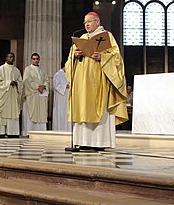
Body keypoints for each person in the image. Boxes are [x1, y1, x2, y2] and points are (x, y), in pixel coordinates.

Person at [65, 11, 128, 150]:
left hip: (98, 80)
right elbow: (69, 61)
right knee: (82, 107)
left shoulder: (106, 36)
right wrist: (75, 55)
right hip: (82, 82)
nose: (86, 24)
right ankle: (83, 141)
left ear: (97, 22)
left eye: (89, 21)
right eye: (85, 22)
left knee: (98, 107)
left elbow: (117, 58)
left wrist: (103, 57)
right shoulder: (81, 37)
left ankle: (99, 142)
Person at [0, 52, 23, 137]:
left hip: (13, 95)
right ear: (6, 58)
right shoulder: (1, 69)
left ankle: (12, 132)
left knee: (13, 112)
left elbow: (21, 82)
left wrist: (17, 84)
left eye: (12, 57)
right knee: (2, 113)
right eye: (9, 57)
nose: (11, 58)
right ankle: (0, 132)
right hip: (3, 95)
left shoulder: (16, 70)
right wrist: (8, 83)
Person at [22, 53, 49, 136]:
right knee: (31, 112)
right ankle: (29, 131)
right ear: (31, 60)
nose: (35, 60)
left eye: (37, 59)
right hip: (32, 95)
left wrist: (43, 86)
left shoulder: (42, 70)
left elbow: (46, 80)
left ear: (39, 59)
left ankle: (41, 131)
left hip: (40, 96)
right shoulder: (28, 69)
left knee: (41, 113)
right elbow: (27, 81)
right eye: (34, 59)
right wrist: (37, 87)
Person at [52, 62, 71, 131]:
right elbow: (55, 85)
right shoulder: (58, 74)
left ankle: (68, 129)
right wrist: (65, 86)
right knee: (61, 112)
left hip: (68, 97)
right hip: (61, 97)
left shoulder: (70, 73)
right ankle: (60, 128)